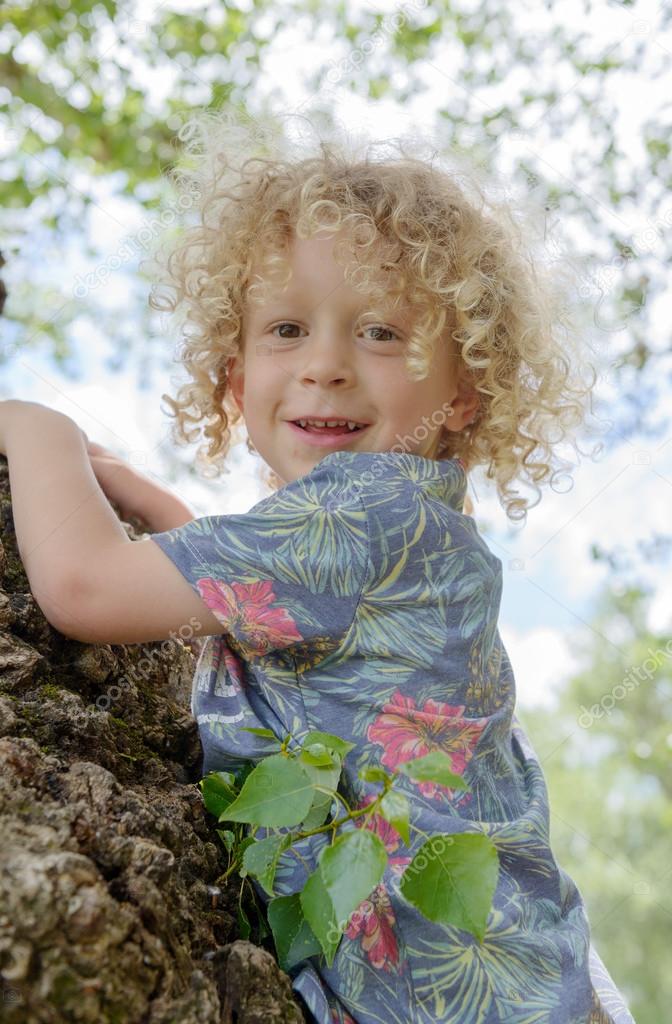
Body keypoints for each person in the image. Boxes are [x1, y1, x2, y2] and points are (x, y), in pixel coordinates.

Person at [0, 112, 636, 1024]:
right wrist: (143, 494)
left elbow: (84, 590)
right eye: (288, 328)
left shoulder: (367, 511)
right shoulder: (394, 533)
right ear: (235, 378)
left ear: (465, 387)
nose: (327, 366)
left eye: (381, 333)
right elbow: (242, 608)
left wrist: (37, 427)